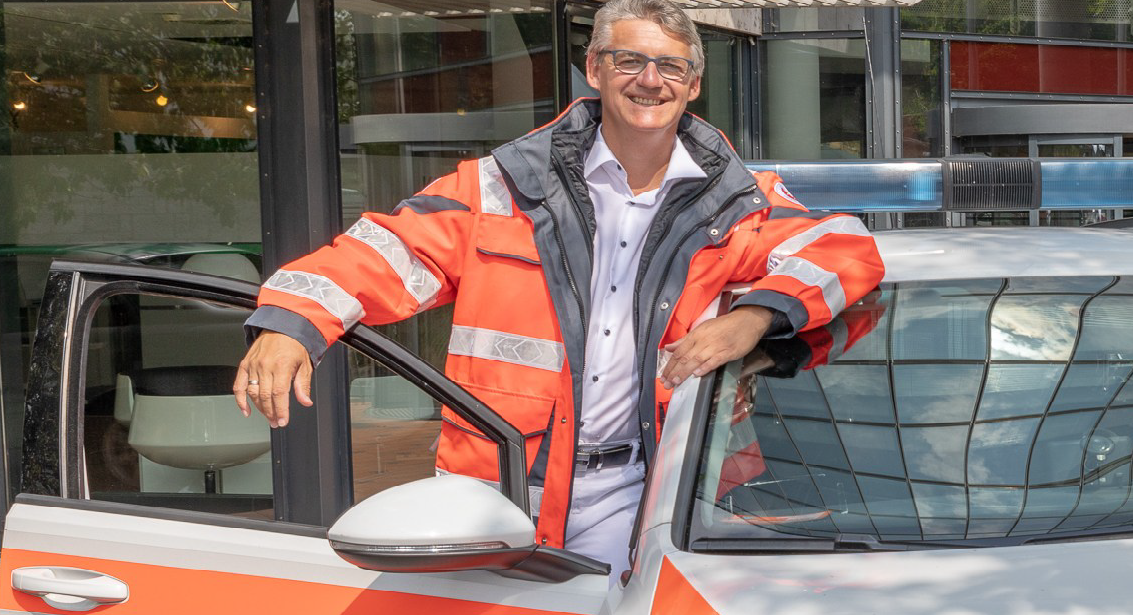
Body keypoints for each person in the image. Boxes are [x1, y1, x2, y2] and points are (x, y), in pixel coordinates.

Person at [233, 0, 884, 579]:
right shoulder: (504, 186)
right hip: (503, 494)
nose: (650, 80)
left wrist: (755, 317)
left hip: (668, 491)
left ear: (693, 83)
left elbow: (841, 251)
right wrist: (291, 319)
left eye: (671, 66)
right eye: (629, 60)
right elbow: (382, 254)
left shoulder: (737, 200)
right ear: (594, 68)